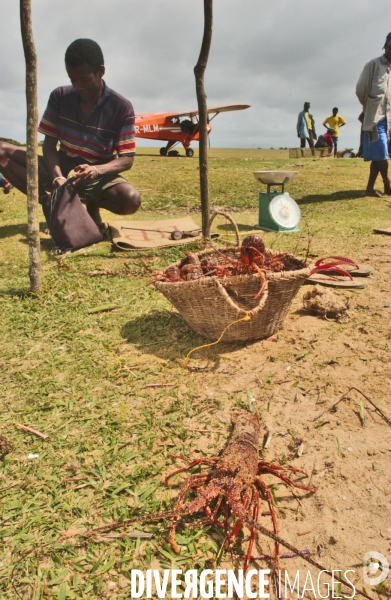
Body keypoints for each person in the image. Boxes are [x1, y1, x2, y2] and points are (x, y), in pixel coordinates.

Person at [0, 39, 141, 229]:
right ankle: (51, 206)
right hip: (61, 167)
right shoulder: (60, 97)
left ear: (101, 71)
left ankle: (91, 203)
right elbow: (49, 146)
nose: (78, 86)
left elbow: (126, 160)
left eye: (84, 79)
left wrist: (96, 171)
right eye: (72, 80)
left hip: (97, 175)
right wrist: (57, 176)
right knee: (1, 151)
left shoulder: (121, 107)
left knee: (130, 200)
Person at [356, 32, 391, 198]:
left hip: (389, 119)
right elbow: (360, 90)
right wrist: (368, 107)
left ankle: (370, 188)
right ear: (385, 47)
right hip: (376, 118)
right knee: (381, 150)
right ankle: (387, 184)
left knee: (380, 154)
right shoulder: (374, 65)